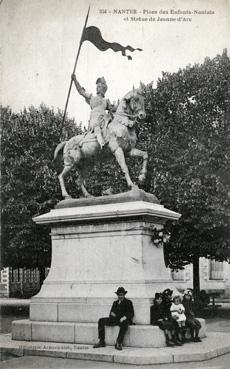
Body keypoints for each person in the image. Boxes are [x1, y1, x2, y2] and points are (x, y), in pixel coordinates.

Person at [72, 74, 114, 149]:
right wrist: (75, 80)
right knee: (96, 127)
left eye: (99, 87)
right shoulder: (91, 97)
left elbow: (113, 111)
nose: (97, 88)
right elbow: (81, 91)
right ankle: (101, 143)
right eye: (97, 87)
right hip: (94, 119)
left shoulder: (106, 101)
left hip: (104, 120)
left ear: (103, 89)